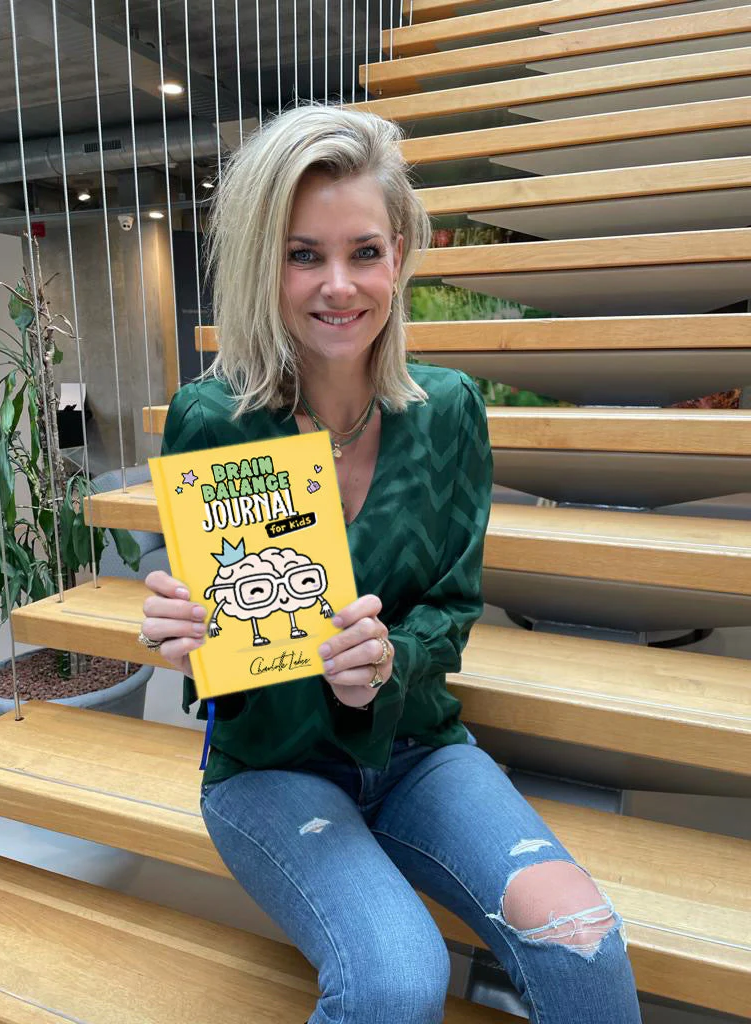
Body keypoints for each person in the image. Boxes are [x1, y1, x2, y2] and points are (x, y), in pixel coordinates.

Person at [139, 105, 641, 1024]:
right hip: (272, 767)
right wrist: (185, 635)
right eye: (303, 255)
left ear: (399, 255)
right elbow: (224, 643)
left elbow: (451, 608)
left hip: (419, 752)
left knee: (586, 943)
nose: (338, 285)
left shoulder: (449, 411)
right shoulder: (214, 421)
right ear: (265, 265)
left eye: (364, 252)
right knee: (397, 982)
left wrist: (389, 665)